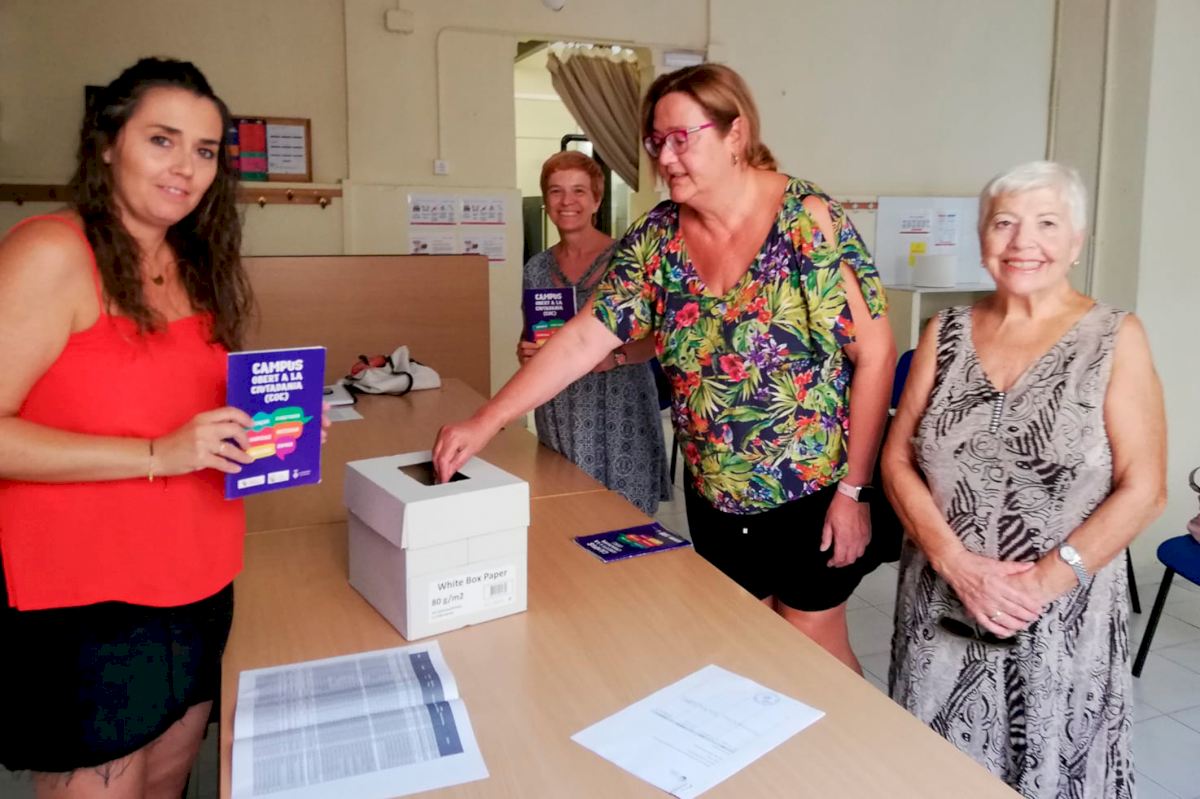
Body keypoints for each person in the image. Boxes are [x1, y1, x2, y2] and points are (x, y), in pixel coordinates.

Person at [437, 64, 895, 671]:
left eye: (683, 138)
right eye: (657, 142)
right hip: (713, 490)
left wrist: (854, 491)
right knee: (752, 645)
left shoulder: (806, 221)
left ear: (735, 135)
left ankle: (853, 737)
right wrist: (486, 420)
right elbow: (584, 338)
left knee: (813, 648)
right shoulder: (658, 237)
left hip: (809, 485)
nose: (666, 157)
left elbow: (876, 354)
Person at [0, 58, 327, 798]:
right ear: (106, 144)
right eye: (162, 140)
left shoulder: (193, 261)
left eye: (205, 150)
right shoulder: (51, 252)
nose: (185, 167)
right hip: (90, 598)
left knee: (170, 781)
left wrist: (275, 431)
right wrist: (156, 453)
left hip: (200, 576)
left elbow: (186, 411)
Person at [882, 161, 1166, 798]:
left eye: (1047, 223)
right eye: (1004, 223)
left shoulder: (1116, 337)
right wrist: (955, 563)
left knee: (1051, 769)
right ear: (982, 236)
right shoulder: (943, 332)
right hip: (940, 606)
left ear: (1077, 240)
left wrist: (1038, 586)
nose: (1022, 242)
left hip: (1061, 619)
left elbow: (1145, 489)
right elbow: (897, 461)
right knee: (932, 773)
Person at [519, 151, 670, 514]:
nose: (567, 201)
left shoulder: (627, 260)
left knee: (625, 518)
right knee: (566, 512)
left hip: (621, 407)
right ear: (546, 200)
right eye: (556, 191)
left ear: (597, 201)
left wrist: (615, 356)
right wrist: (525, 352)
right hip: (559, 409)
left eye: (579, 191)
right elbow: (530, 334)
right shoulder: (536, 268)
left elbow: (661, 336)